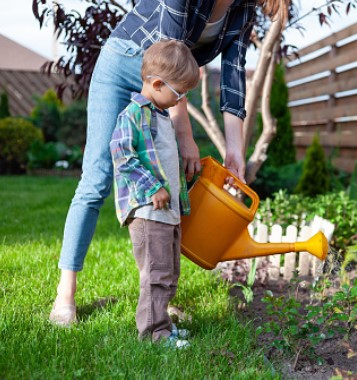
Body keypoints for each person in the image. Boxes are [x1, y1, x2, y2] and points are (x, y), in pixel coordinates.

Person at [49, 0, 289, 326]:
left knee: (169, 185)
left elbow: (233, 81)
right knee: (98, 176)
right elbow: (166, 52)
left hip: (169, 88)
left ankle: (155, 302)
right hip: (124, 65)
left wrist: (235, 152)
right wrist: (184, 136)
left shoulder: (241, 12)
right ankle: (65, 295)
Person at [109, 39, 198, 346]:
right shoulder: (134, 115)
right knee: (155, 274)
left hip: (167, 213)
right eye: (179, 92)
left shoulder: (160, 115)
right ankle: (153, 335)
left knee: (169, 273)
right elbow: (121, 155)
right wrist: (153, 187)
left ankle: (162, 324)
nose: (182, 99)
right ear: (158, 83)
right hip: (149, 213)